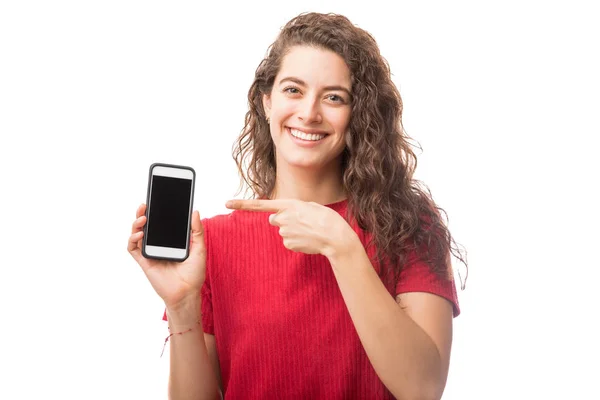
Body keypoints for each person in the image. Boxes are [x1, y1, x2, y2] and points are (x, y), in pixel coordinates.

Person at [128, 12, 467, 400]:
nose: (309, 113)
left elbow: (422, 389)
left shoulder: (408, 224)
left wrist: (343, 249)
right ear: (266, 101)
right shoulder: (213, 244)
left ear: (357, 113)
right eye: (293, 90)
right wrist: (182, 307)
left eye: (334, 97)